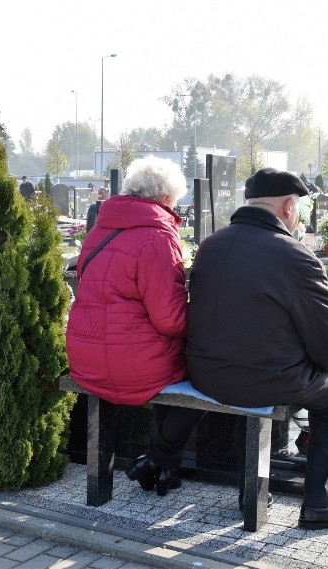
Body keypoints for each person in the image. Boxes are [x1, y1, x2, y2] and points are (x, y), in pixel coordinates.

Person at [186, 167, 328, 530]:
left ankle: (250, 492)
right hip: (261, 379)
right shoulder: (294, 255)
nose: (296, 214)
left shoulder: (211, 245)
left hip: (205, 373)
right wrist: (325, 366)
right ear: (287, 207)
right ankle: (318, 503)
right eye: (296, 206)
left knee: (259, 377)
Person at [65, 156, 202, 496]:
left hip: (86, 357)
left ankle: (161, 468)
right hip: (131, 366)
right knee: (203, 373)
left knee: (171, 360)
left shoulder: (99, 230)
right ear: (166, 199)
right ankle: (157, 461)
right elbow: (170, 319)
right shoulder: (157, 238)